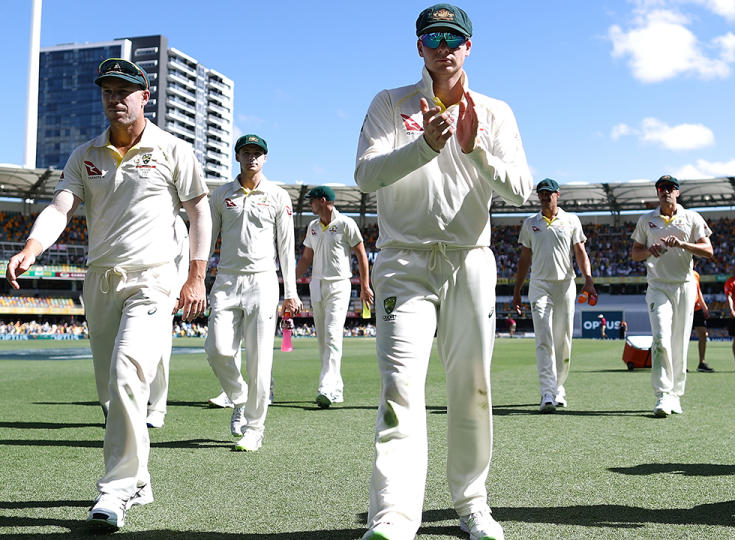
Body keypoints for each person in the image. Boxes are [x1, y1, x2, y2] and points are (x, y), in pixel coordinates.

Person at [5, 58, 210, 530]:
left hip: (153, 278)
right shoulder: (86, 154)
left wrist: (195, 275)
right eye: (107, 91)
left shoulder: (174, 150)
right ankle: (138, 478)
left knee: (126, 371)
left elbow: (200, 212)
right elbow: (61, 206)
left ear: (145, 96)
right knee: (111, 393)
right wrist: (32, 247)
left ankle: (114, 491)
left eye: (125, 90)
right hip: (99, 279)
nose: (115, 99)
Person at [354, 4, 533, 539]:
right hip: (404, 261)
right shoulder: (391, 103)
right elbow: (366, 176)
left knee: (471, 387)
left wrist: (475, 150)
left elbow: (521, 190)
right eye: (433, 37)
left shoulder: (495, 112)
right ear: (419, 47)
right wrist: (426, 145)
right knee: (400, 388)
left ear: (469, 47)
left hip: (470, 259)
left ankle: (473, 504)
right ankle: (393, 516)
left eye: (455, 38)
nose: (444, 46)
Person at [205, 134, 301, 453]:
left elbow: (286, 248)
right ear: (237, 157)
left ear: (265, 158)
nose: (252, 159)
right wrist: (195, 276)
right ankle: (239, 397)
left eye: (258, 153)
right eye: (246, 153)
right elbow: (207, 240)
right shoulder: (220, 195)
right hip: (227, 279)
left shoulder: (277, 196)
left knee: (260, 359)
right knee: (217, 348)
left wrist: (291, 291)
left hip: (262, 281)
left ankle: (255, 428)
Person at [630, 174, 713, 418]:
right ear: (657, 193)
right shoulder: (647, 220)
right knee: (661, 339)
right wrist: (649, 250)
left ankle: (676, 394)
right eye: (661, 188)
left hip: (685, 286)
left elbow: (708, 250)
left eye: (670, 188)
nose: (665, 191)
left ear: (677, 192)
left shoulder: (692, 217)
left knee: (679, 343)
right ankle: (663, 394)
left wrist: (683, 245)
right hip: (658, 286)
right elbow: (635, 254)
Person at [511, 178, 596, 413]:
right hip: (539, 285)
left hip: (565, 285)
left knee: (563, 340)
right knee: (544, 338)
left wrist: (588, 279)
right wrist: (517, 291)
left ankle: (559, 388)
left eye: (549, 192)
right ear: (538, 196)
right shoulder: (530, 223)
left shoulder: (571, 220)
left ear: (558, 195)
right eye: (541, 193)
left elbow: (580, 252)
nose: (545, 196)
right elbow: (524, 260)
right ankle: (547, 392)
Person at [295, 185, 373, 409]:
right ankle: (336, 388)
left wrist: (365, 285)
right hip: (317, 285)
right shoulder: (312, 226)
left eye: (312, 201)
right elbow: (305, 259)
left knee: (331, 334)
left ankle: (326, 388)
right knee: (322, 340)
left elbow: (361, 254)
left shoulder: (346, 223)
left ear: (322, 200)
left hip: (340, 284)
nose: (309, 204)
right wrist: (290, 285)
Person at [145, 216, 190, 429]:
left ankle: (156, 409)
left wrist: (176, 294)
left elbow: (182, 262)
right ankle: (121, 404)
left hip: (163, 291)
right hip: (129, 287)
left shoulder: (177, 222)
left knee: (160, 353)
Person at [692, 269, 714, 372]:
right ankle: (680, 364)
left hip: (697, 308)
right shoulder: (679, 271)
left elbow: (698, 290)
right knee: (682, 337)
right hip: (684, 309)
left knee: (703, 334)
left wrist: (704, 307)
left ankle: (702, 362)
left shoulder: (696, 274)